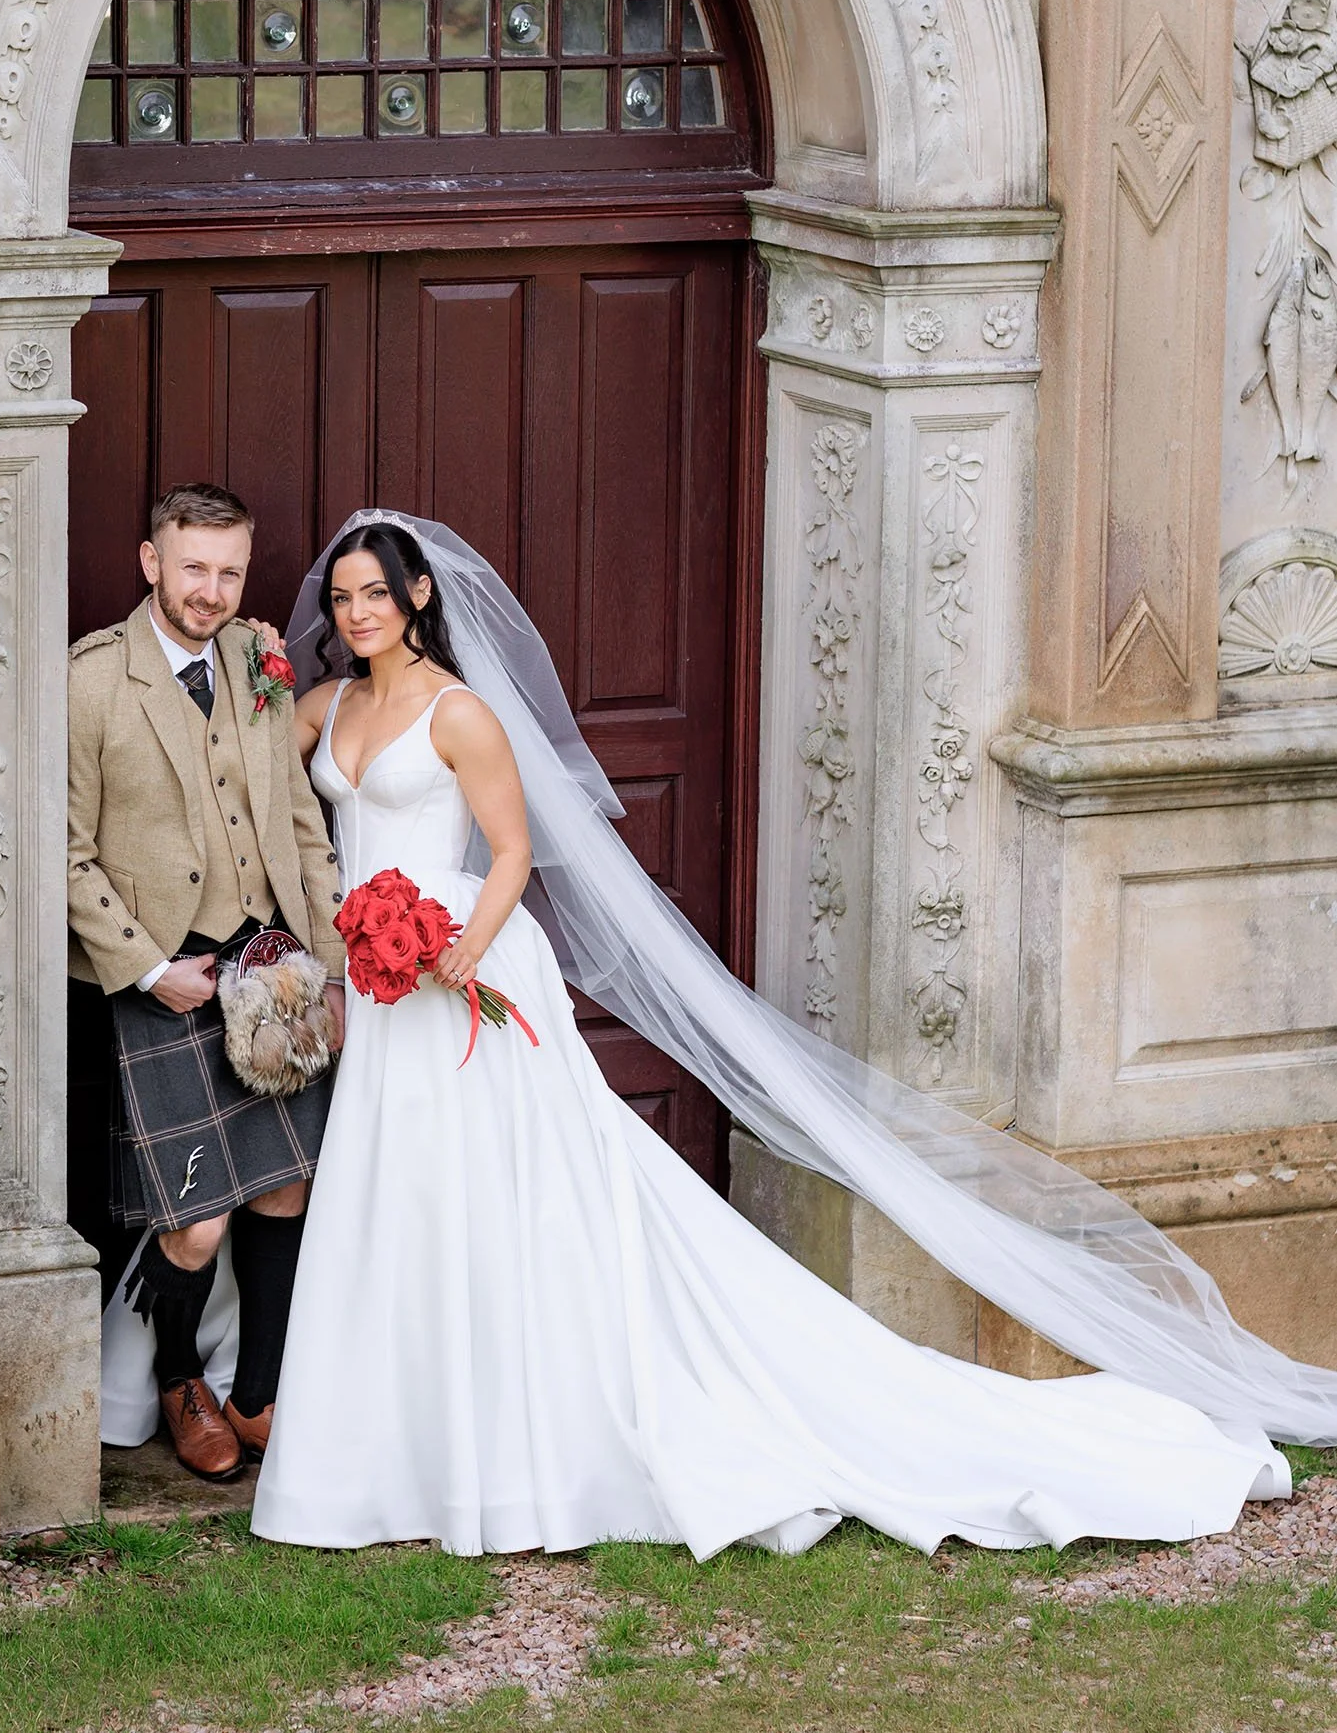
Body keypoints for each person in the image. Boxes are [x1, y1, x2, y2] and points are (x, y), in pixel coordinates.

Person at [250, 515, 1313, 1559]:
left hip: (457, 968)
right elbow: (256, 746)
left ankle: (516, 1444)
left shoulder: (459, 712)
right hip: (374, 976)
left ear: (418, 597)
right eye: (343, 598)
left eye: (377, 594)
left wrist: (461, 947)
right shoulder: (327, 702)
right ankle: (392, 1447)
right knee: (399, 1189)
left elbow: (517, 851)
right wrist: (252, 664)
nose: (357, 612)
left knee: (492, 1194)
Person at [67, 482, 345, 1482]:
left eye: (229, 569)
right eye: (193, 567)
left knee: (283, 1184)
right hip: (169, 973)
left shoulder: (259, 658)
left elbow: (301, 829)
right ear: (152, 561)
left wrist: (334, 970)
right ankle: (182, 1379)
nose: (211, 589)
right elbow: (62, 849)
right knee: (197, 1219)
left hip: (272, 961)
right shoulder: (93, 680)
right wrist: (148, 966)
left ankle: (260, 1392)